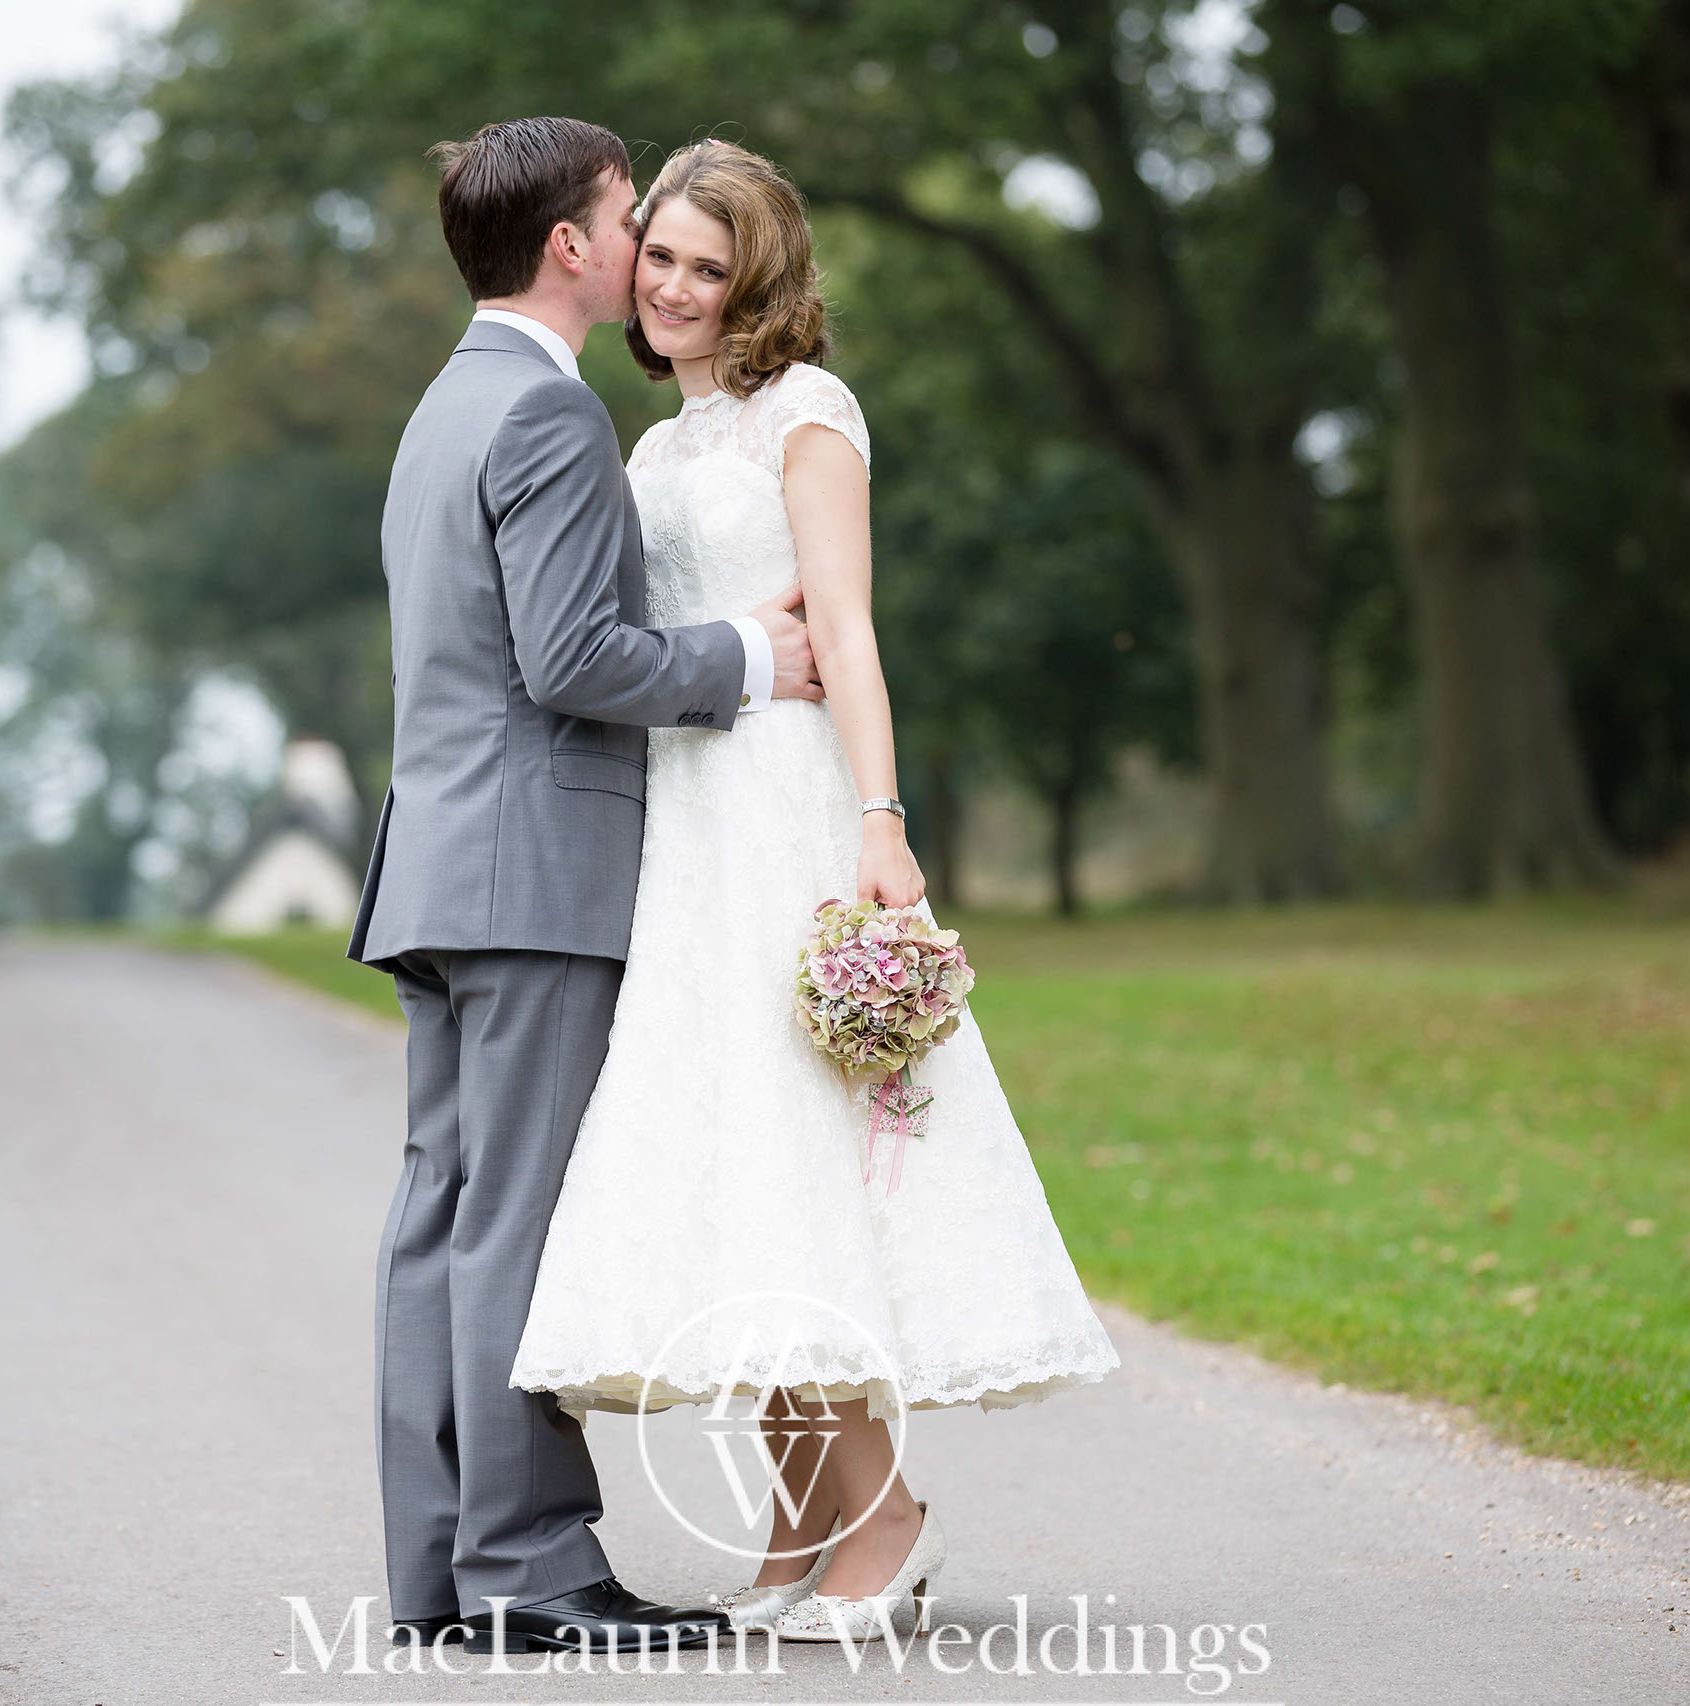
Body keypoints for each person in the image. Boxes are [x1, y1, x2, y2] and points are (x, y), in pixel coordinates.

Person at [508, 139, 1120, 1645]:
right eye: (660, 255)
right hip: (687, 818)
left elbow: (845, 627)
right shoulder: (651, 451)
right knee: (735, 1153)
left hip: (784, 803)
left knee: (797, 1131)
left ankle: (885, 1509)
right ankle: (801, 1514)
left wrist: (881, 821)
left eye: (711, 269)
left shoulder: (808, 414)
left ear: (760, 281)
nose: (674, 287)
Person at [344, 116, 827, 1656]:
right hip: (533, 873)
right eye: (631, 219)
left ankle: (441, 1572)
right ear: (572, 245)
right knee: (515, 1227)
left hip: (438, 866)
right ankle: (533, 1568)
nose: (645, 245)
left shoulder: (446, 404)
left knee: (441, 1218)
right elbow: (569, 660)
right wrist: (757, 657)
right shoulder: (547, 419)